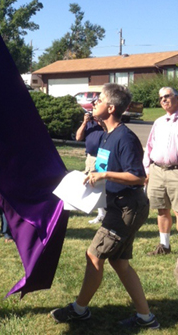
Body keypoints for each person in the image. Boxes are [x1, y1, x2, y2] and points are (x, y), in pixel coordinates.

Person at [51, 83, 159, 330]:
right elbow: (105, 168)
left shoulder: (125, 137)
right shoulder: (108, 134)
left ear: (110, 108)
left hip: (127, 208)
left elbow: (139, 177)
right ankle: (146, 318)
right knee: (119, 263)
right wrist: (93, 177)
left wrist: (106, 175)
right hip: (119, 206)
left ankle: (79, 310)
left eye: (98, 100)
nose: (94, 103)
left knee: (94, 254)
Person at [144, 87, 178, 256]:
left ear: (176, 97)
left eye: (167, 96)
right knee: (162, 209)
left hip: (176, 173)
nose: (163, 100)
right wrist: (147, 170)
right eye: (160, 98)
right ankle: (164, 246)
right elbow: (149, 146)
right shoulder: (158, 122)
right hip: (157, 170)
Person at [75, 108, 106, 224]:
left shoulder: (106, 122)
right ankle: (101, 213)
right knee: (93, 184)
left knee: (104, 185)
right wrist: (84, 122)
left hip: (103, 157)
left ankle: (107, 212)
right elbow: (78, 138)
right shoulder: (89, 124)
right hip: (91, 158)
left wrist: (101, 122)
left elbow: (110, 133)